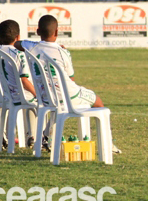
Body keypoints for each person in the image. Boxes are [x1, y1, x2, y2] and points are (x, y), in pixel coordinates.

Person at [15, 14, 121, 154]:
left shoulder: (31, 47)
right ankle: (108, 144)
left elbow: (17, 44)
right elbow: (71, 79)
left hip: (45, 97)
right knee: (98, 102)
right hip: (68, 96)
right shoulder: (62, 52)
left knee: (57, 103)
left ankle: (47, 136)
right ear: (57, 32)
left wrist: (31, 44)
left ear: (38, 31)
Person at [0, 20, 38, 147]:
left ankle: (6, 132)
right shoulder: (19, 54)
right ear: (18, 37)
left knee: (23, 101)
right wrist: (37, 93)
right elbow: (24, 81)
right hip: (19, 95)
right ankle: (35, 136)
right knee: (38, 99)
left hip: (3, 94)